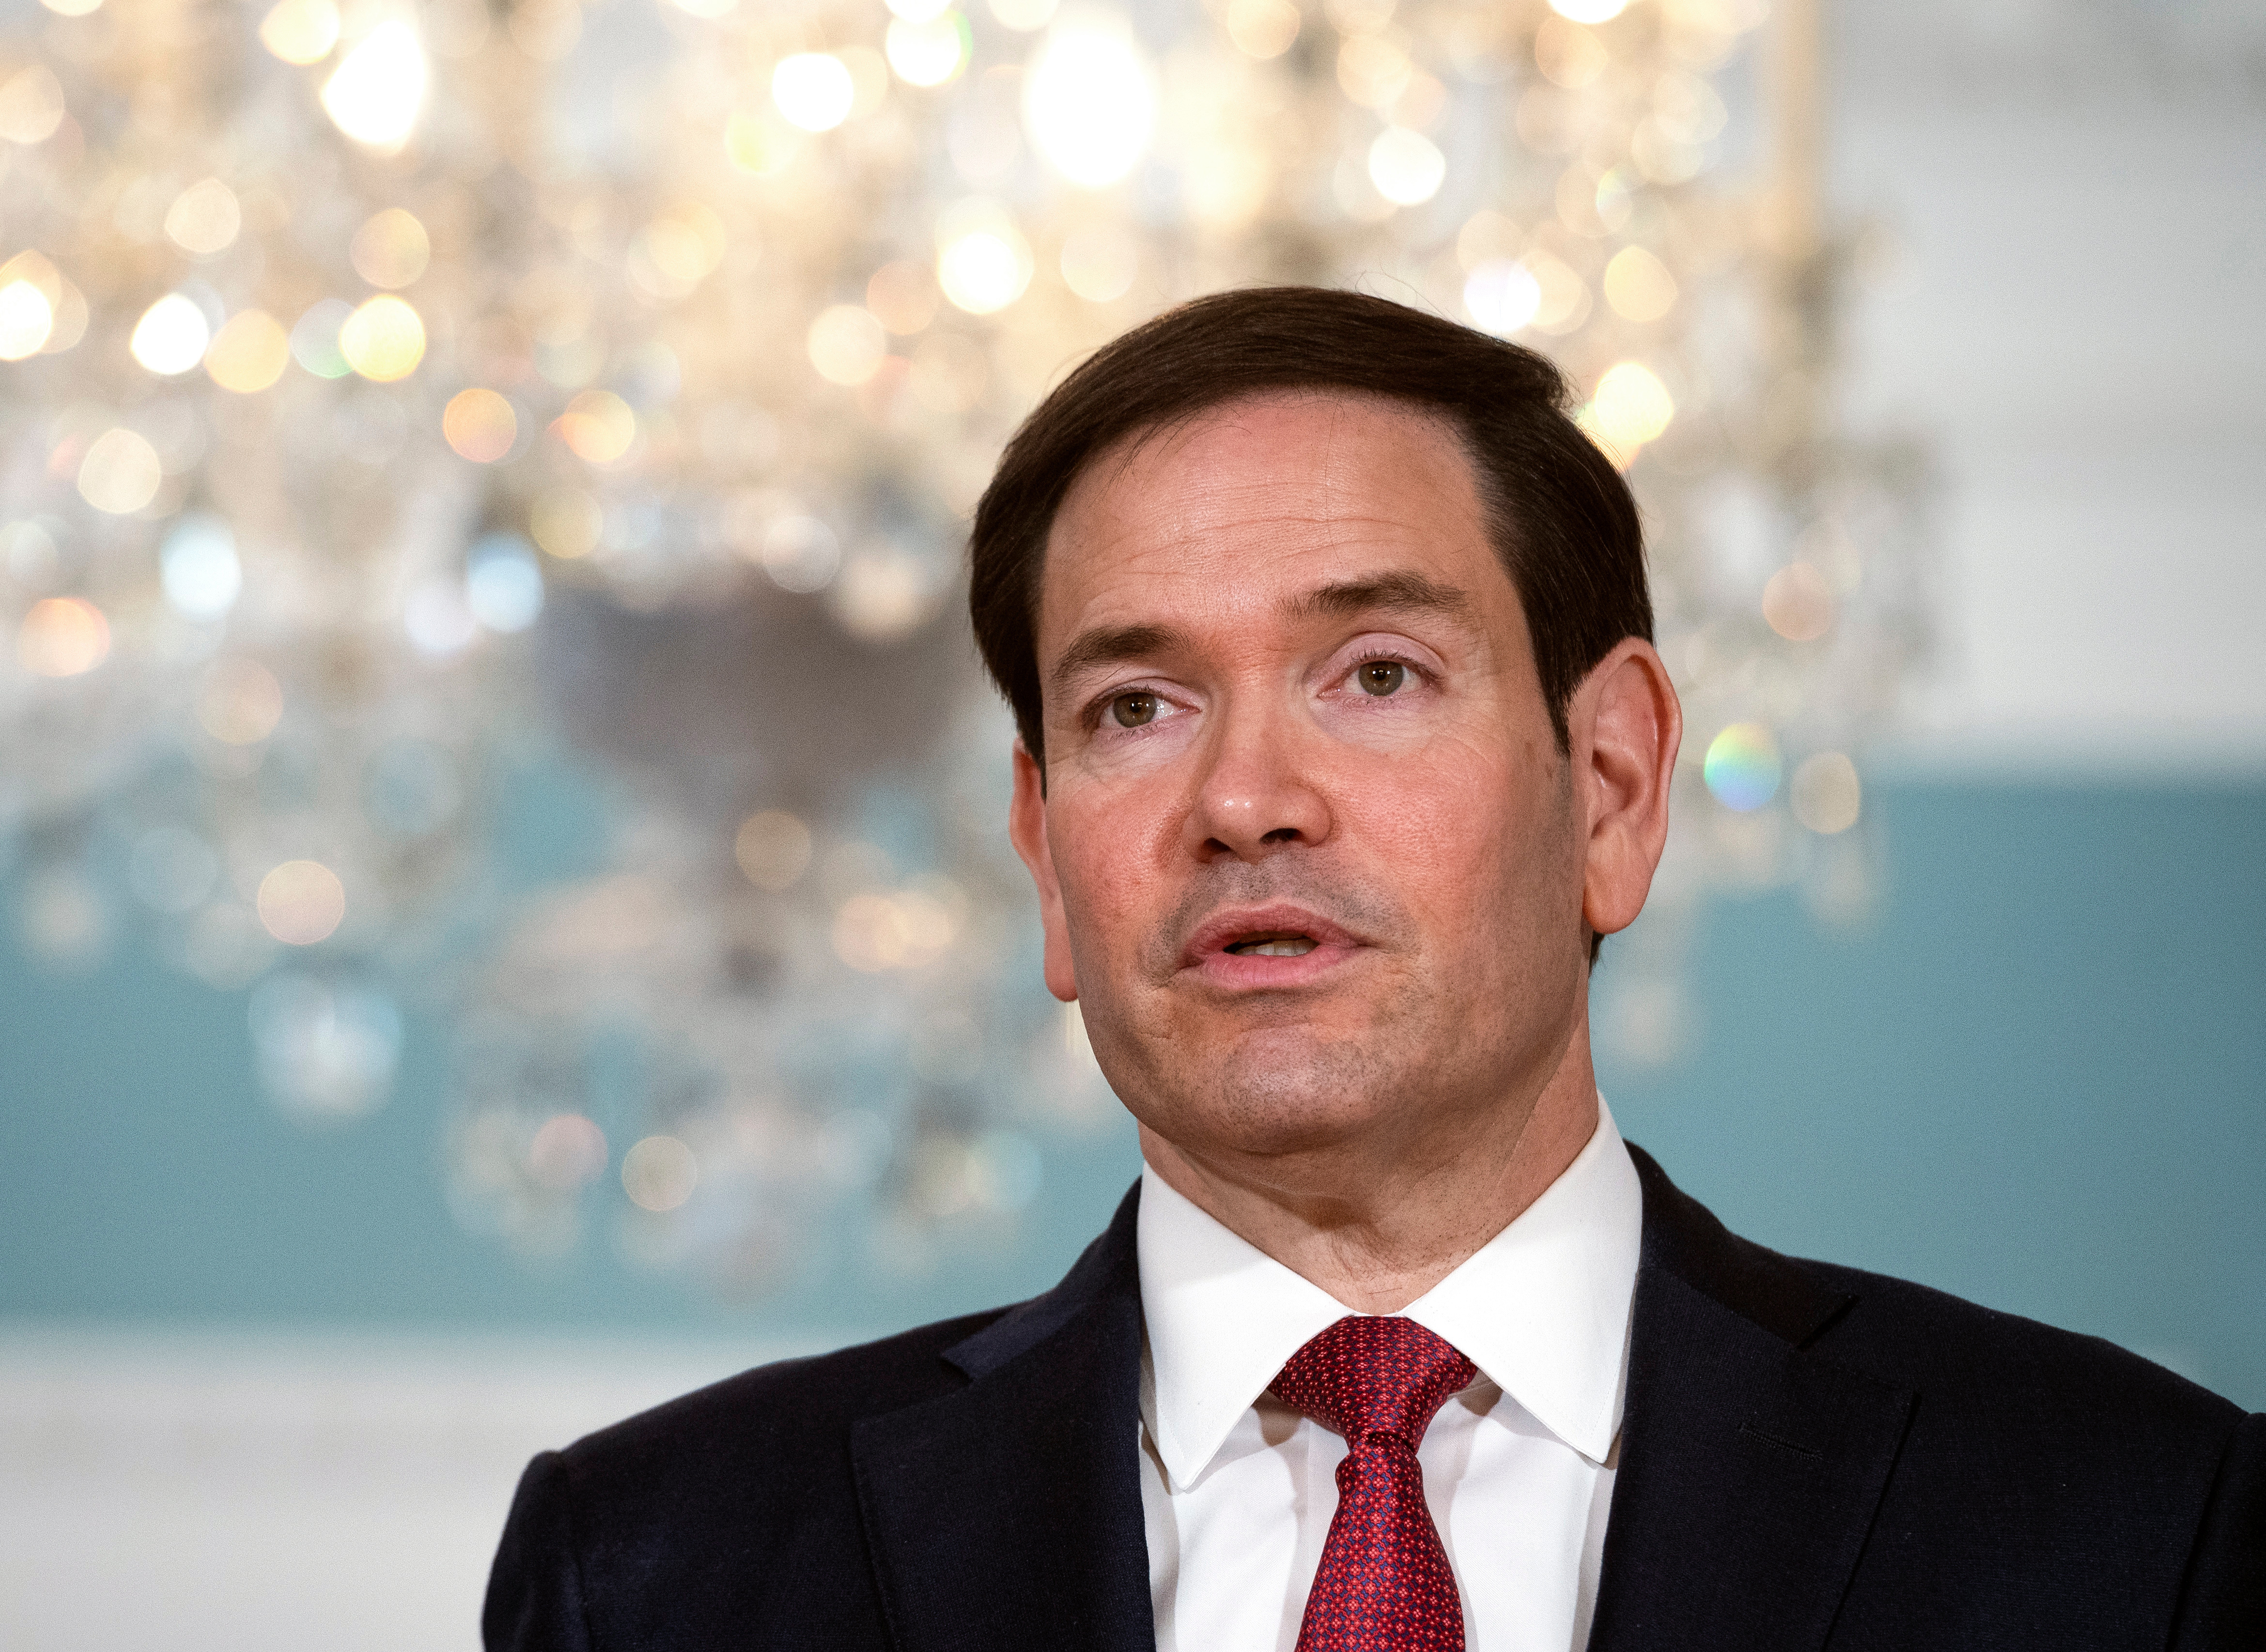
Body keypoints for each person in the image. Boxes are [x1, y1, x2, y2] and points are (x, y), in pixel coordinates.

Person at [482, 288, 2263, 1651]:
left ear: (1616, 786)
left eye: (1380, 674)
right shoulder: (655, 1568)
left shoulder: (2137, 1523)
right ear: (1044, 855)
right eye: (1136, 707)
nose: (1245, 800)